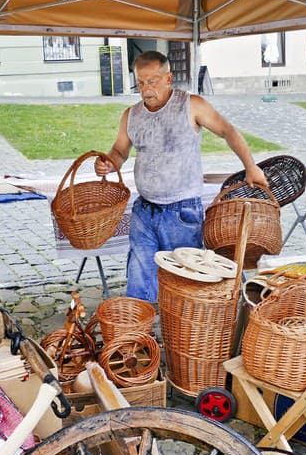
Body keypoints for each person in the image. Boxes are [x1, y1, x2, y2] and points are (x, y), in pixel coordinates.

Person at [95, 50, 268, 302]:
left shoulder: (191, 105)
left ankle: (182, 331)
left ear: (168, 78)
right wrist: (109, 163)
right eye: (140, 82)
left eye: (152, 81)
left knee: (184, 280)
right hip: (144, 210)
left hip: (181, 211)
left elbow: (227, 131)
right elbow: (121, 149)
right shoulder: (131, 115)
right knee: (139, 273)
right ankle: (139, 334)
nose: (146, 89)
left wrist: (251, 166)